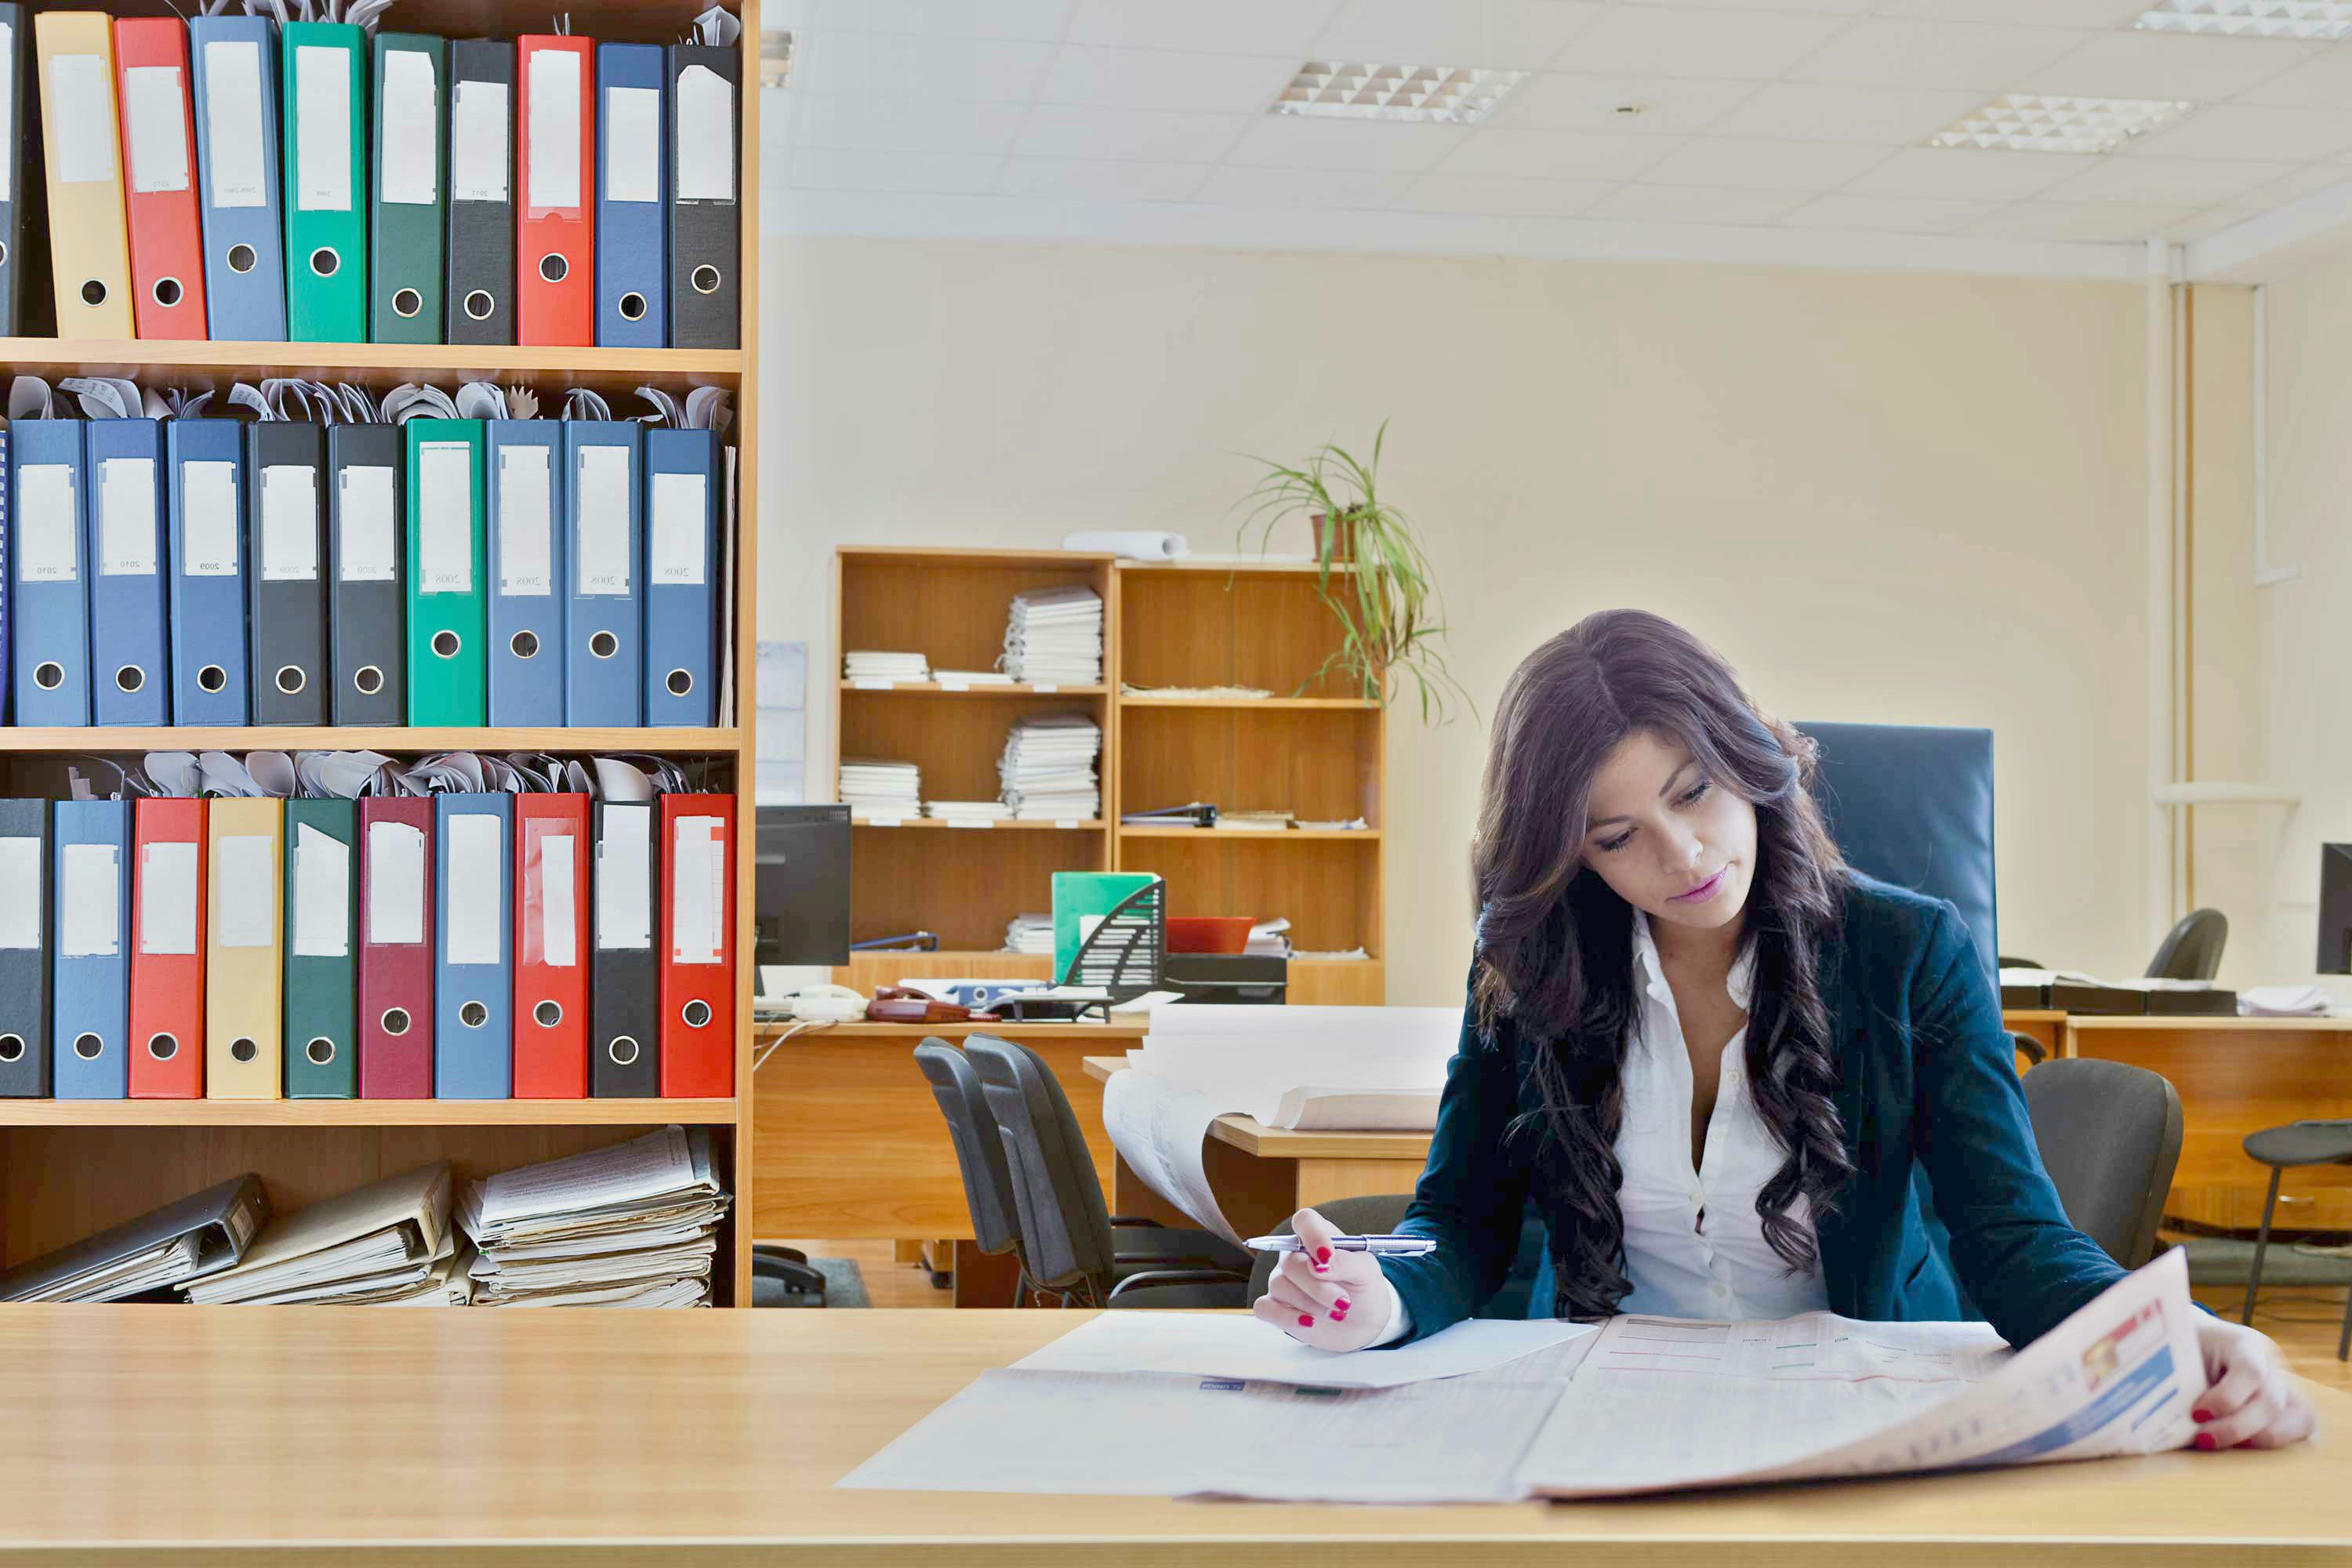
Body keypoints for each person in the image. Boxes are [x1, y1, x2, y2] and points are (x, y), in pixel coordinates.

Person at [1254, 608, 2314, 1452]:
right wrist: (1377, 1295)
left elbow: (2014, 1244)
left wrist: (2193, 1337)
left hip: (1859, 1414)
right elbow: (1461, 1220)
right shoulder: (1533, 965)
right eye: (1619, 837)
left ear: (1749, 759)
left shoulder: (1911, 954)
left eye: (1696, 792)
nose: (1681, 855)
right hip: (1589, 1416)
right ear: (1575, 857)